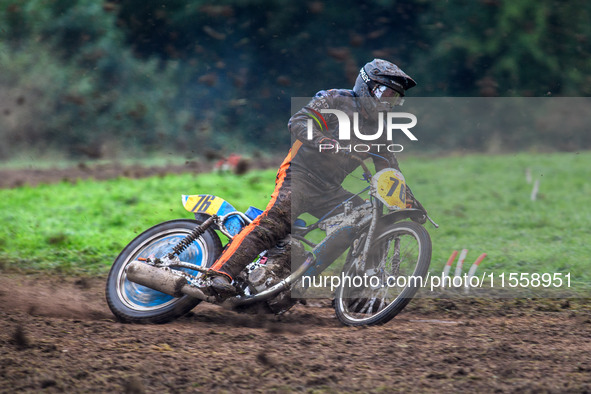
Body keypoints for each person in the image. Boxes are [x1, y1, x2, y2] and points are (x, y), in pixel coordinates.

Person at [206, 59, 416, 297]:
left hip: (330, 190)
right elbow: (298, 121)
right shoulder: (336, 100)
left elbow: (388, 169)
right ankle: (220, 274)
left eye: (394, 98)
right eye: (385, 94)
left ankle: (355, 294)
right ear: (367, 86)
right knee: (274, 224)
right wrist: (322, 140)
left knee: (371, 221)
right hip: (299, 175)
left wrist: (408, 202)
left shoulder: (381, 128)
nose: (387, 102)